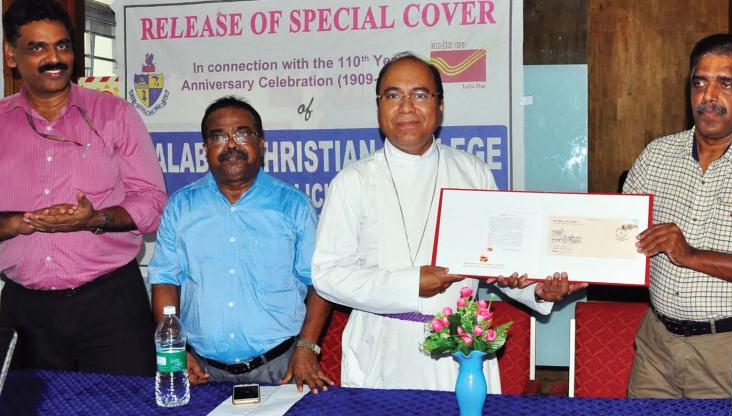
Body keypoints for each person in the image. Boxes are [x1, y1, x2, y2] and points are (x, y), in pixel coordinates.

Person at [312, 53, 585, 393]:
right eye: (393, 95)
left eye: (421, 94)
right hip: (381, 348)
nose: (407, 106)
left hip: (461, 345)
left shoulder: (472, 172)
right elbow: (328, 275)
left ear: (440, 106)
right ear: (379, 106)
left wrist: (537, 289)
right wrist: (412, 283)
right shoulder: (352, 181)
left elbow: (494, 262)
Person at [624, 34, 732, 398]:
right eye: (700, 81)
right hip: (656, 345)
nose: (709, 96)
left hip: (731, 350)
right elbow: (621, 239)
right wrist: (571, 276)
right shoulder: (656, 155)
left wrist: (690, 256)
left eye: (727, 84)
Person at [0, 0, 167, 375]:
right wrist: (20, 223)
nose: (54, 57)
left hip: (110, 307)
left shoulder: (114, 115)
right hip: (26, 313)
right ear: (11, 55)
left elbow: (153, 203)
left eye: (62, 45)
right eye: (37, 47)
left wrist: (97, 218)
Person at [148, 97, 333, 393]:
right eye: (219, 136)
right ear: (205, 148)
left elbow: (320, 283)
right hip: (201, 370)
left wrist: (307, 347)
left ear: (261, 143)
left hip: (282, 366)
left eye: (243, 134)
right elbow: (165, 280)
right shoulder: (181, 206)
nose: (231, 144)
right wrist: (175, 351)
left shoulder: (293, 205)